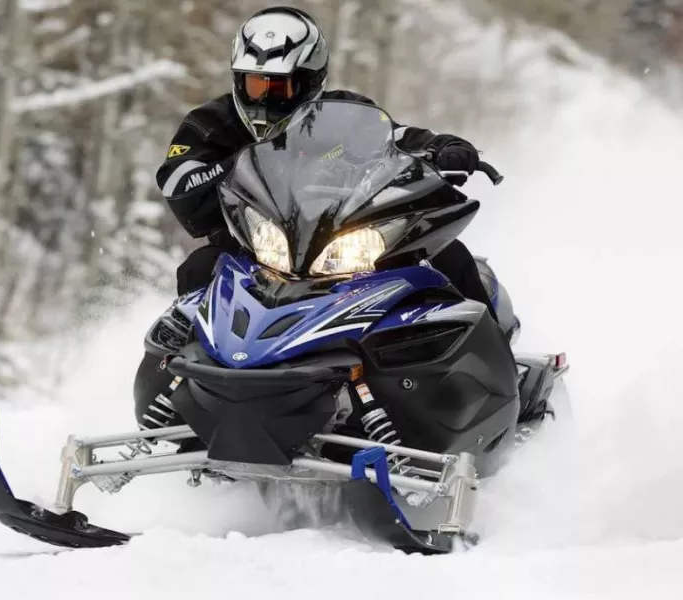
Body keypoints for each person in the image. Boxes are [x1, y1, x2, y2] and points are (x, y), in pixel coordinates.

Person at [133, 6, 513, 429]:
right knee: (198, 270)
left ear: (311, 81)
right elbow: (177, 178)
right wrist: (234, 165)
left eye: (280, 87)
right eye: (255, 84)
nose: (264, 98)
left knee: (448, 257)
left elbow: (398, 138)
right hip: (255, 250)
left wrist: (442, 147)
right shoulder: (211, 124)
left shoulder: (342, 115)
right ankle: (184, 403)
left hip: (339, 243)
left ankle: (498, 381)